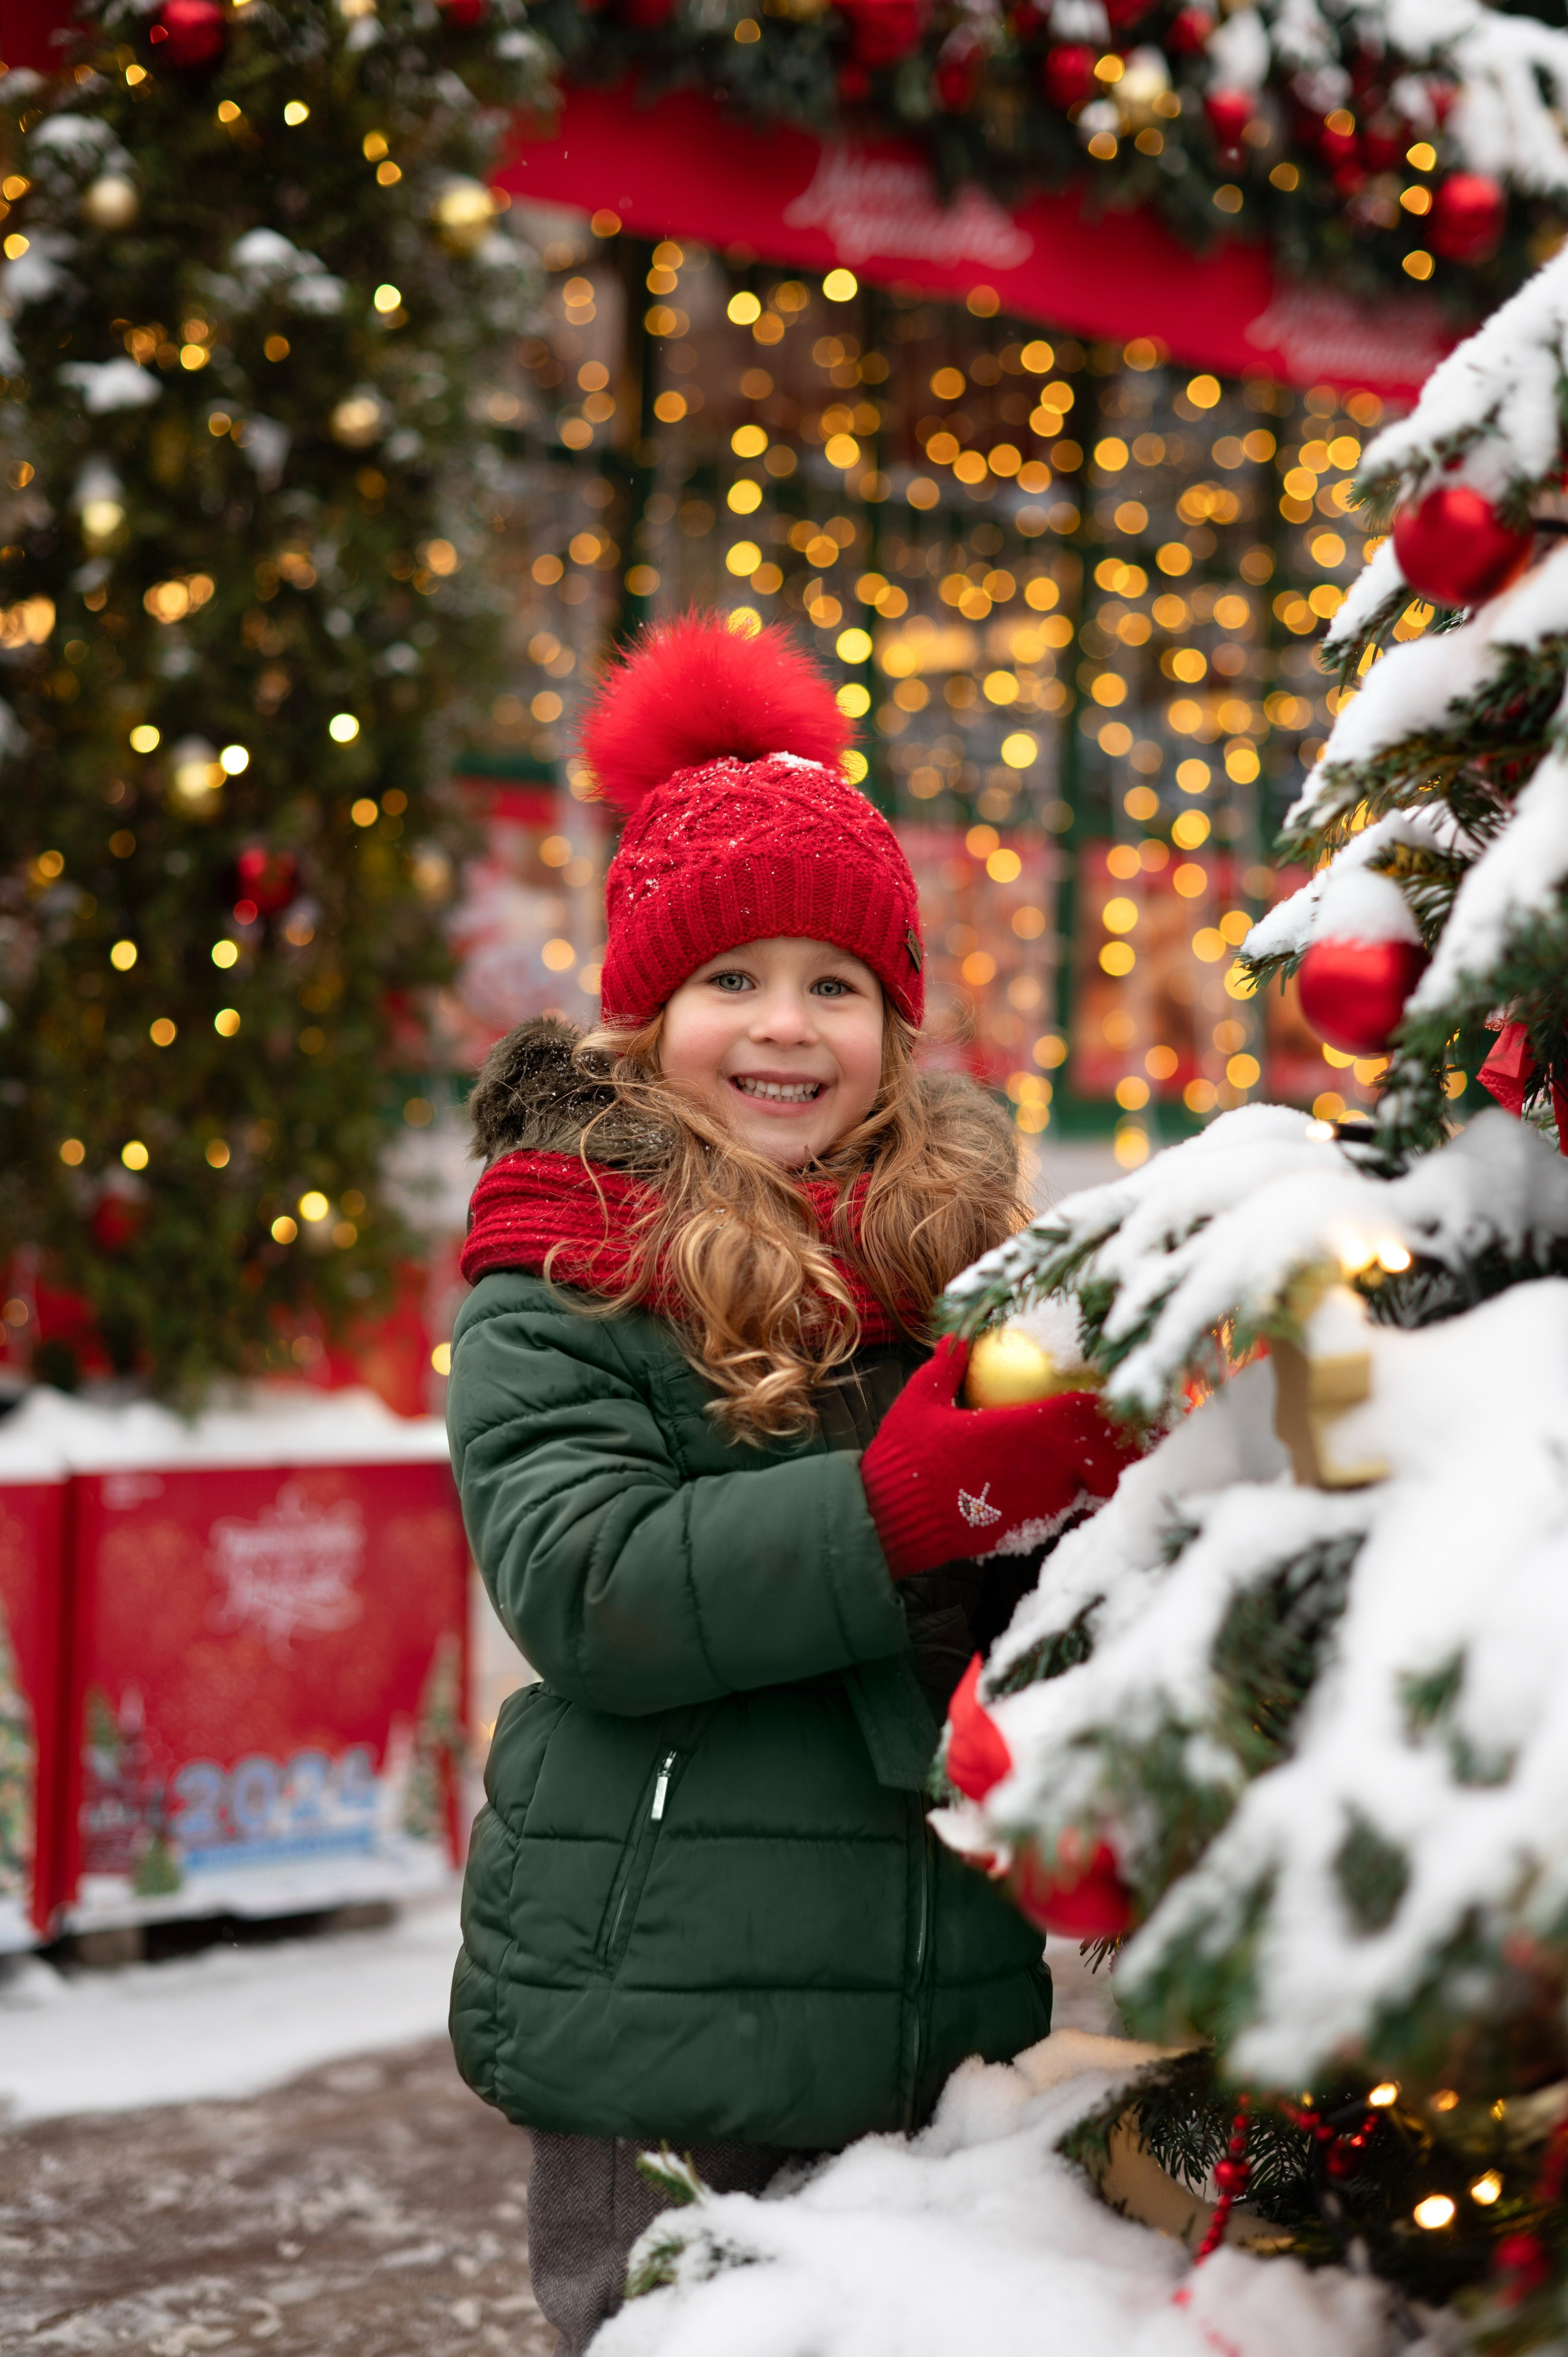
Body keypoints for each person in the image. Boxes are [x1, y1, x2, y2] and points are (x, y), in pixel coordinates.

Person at [446, 613, 1134, 2353]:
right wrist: (900, 1509)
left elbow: (1019, 1609)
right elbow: (589, 1587)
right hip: (666, 2014)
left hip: (934, 2008)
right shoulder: (561, 1268)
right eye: (731, 980)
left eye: (837, 985)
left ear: (894, 1026)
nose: (786, 1026)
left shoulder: (959, 1269)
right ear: (645, 1014)